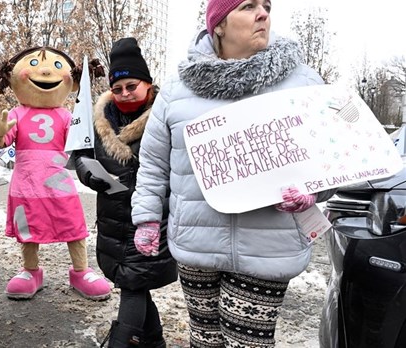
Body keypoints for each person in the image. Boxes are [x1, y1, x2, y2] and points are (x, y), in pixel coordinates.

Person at [130, 1, 336, 347]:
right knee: (204, 340)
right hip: (196, 244)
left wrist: (314, 191)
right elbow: (153, 163)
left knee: (247, 342)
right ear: (219, 25)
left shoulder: (302, 83)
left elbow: (333, 157)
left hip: (267, 248)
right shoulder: (178, 89)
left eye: (266, 6)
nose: (263, 14)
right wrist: (147, 218)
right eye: (248, 6)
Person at [0, 46, 110, 301]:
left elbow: (80, 145)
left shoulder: (65, 115)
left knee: (73, 225)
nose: (44, 70)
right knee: (28, 229)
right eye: (34, 64)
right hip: (26, 185)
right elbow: (4, 141)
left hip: (58, 183)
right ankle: (31, 271)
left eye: (56, 66)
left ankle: (80, 271)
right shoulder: (17, 114)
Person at [72, 38, 177, 347]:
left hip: (153, 222)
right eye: (117, 89)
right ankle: (155, 343)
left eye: (132, 86)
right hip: (113, 221)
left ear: (148, 84)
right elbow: (80, 154)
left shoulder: (166, 116)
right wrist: (86, 172)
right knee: (134, 285)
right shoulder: (99, 117)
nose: (124, 94)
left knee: (133, 285)